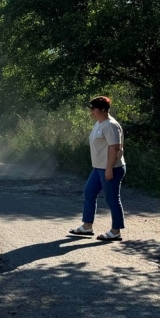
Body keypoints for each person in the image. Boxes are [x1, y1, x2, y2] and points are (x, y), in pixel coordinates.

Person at [69, 96, 126, 241]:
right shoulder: (99, 123)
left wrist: (109, 169)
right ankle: (87, 226)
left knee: (112, 199)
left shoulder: (111, 125)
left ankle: (115, 231)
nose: (91, 112)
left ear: (102, 109)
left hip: (110, 168)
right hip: (98, 168)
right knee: (89, 192)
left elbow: (115, 149)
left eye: (93, 109)